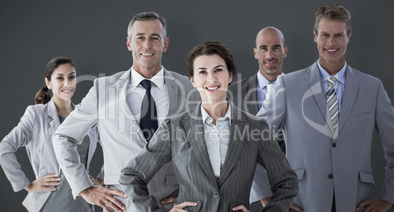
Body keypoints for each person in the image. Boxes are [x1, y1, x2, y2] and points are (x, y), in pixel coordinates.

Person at [119, 41, 298, 212]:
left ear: (229, 76)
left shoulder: (256, 128)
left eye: (218, 70)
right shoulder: (175, 127)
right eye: (202, 72)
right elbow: (131, 176)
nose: (211, 79)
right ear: (193, 80)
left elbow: (287, 182)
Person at [257, 3, 394, 212]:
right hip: (302, 202)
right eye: (325, 35)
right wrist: (269, 199)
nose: (331, 42)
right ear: (315, 36)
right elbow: (250, 144)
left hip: (353, 204)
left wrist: (389, 198)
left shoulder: (373, 88)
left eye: (338, 35)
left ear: (349, 36)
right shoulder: (287, 85)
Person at [52, 12, 194, 212]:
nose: (147, 45)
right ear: (129, 43)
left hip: (175, 205)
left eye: (155, 38)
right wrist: (85, 188)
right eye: (140, 38)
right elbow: (63, 137)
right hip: (121, 205)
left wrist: (195, 191)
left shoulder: (189, 88)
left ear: (165, 44)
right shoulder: (103, 89)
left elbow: (210, 146)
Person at [0, 57, 101, 212]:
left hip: (83, 204)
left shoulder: (87, 116)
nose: (67, 84)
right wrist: (28, 185)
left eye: (72, 77)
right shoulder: (35, 114)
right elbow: (4, 148)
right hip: (48, 204)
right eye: (60, 78)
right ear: (48, 83)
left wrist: (102, 178)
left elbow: (114, 145)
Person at [228, 27, 287, 211]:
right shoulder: (232, 93)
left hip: (294, 198)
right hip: (245, 200)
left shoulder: (299, 90)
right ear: (255, 53)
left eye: (276, 48)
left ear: (285, 51)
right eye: (263, 48)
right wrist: (265, 197)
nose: (269, 55)